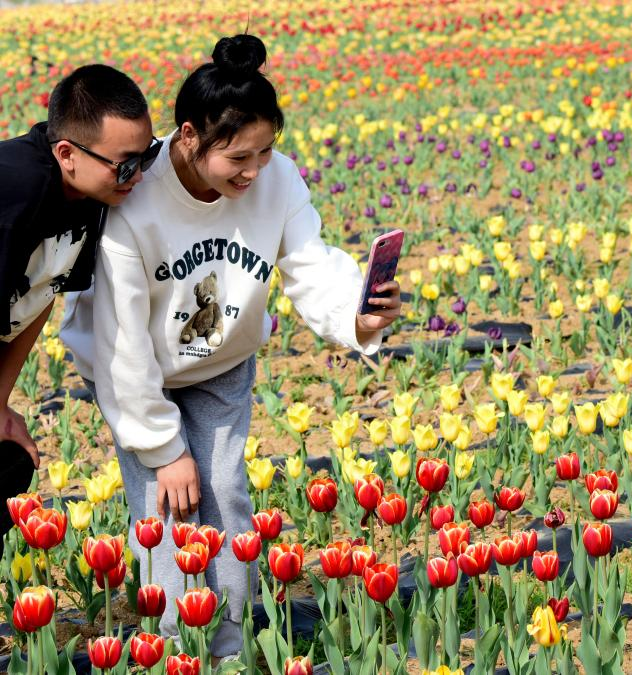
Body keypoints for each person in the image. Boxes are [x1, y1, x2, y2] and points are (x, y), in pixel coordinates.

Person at [62, 35, 401, 658]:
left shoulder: (276, 181)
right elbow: (120, 341)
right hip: (143, 375)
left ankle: (230, 649)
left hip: (222, 366)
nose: (254, 170)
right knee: (169, 514)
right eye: (238, 156)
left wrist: (359, 314)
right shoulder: (135, 201)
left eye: (266, 150)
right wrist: (164, 450)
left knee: (225, 494)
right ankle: (174, 651)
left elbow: (310, 263)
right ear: (188, 137)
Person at [0, 65, 155, 553]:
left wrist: (0, 402)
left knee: (9, 463)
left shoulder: (90, 194)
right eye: (126, 163)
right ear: (66, 153)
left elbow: (43, 294)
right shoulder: (14, 190)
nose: (139, 176)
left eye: (145, 157)